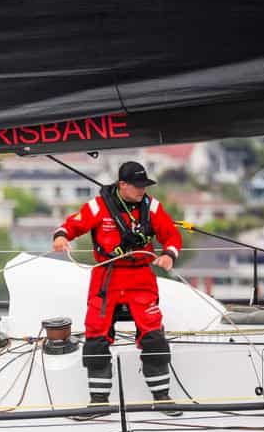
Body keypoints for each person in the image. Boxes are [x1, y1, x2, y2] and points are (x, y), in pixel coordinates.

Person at [52, 161, 183, 412]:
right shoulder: (98, 206)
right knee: (96, 337)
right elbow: (72, 224)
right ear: (122, 184)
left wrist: (169, 255)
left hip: (141, 278)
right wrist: (61, 236)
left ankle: (162, 397)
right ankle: (98, 403)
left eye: (145, 185)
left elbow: (171, 235)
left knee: (154, 336)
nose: (142, 190)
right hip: (107, 278)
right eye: (137, 186)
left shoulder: (152, 207)